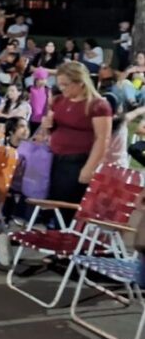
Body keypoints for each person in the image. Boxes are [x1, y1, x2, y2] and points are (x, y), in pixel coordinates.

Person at [41, 62, 112, 224]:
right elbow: (49, 131)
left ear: (80, 82)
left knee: (68, 206)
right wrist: (47, 126)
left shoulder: (97, 105)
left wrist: (90, 168)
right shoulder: (59, 100)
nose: (62, 88)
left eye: (66, 84)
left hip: (77, 160)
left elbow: (102, 139)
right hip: (54, 157)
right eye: (60, 84)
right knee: (51, 201)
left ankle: (66, 236)